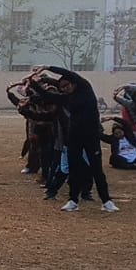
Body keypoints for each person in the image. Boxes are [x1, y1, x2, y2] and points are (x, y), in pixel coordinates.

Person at [26, 66, 117, 213]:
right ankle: (73, 200)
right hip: (74, 137)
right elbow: (46, 95)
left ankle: (106, 201)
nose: (65, 89)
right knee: (74, 169)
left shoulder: (85, 90)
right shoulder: (66, 98)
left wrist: (48, 68)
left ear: (74, 83)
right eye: (62, 87)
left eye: (67, 85)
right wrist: (32, 82)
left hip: (91, 136)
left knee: (97, 169)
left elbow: (69, 73)